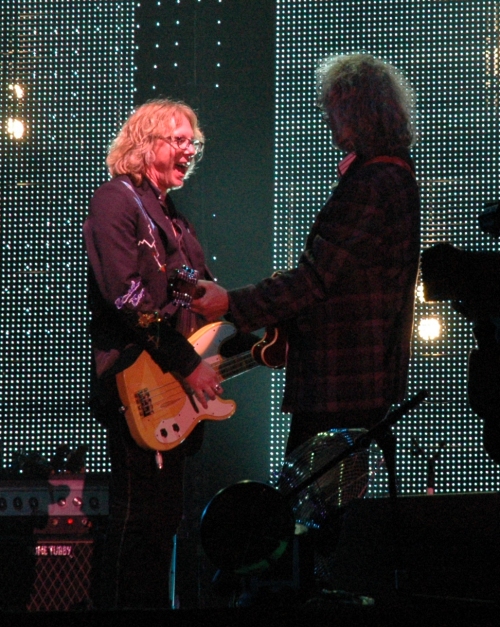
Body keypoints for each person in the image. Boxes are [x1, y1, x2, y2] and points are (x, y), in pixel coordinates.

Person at [192, 53, 421, 455]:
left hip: (340, 379)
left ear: (357, 111)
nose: (328, 120)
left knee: (311, 507)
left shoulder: (371, 184)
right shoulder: (393, 174)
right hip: (361, 376)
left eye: (333, 110)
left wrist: (230, 302)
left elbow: (316, 279)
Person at [83, 99, 222, 609]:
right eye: (180, 139)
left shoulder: (177, 220)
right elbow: (127, 297)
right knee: (136, 519)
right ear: (146, 144)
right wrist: (187, 364)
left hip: (173, 390)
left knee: (163, 523)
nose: (190, 150)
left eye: (194, 142)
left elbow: (203, 298)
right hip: (136, 378)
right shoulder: (115, 201)